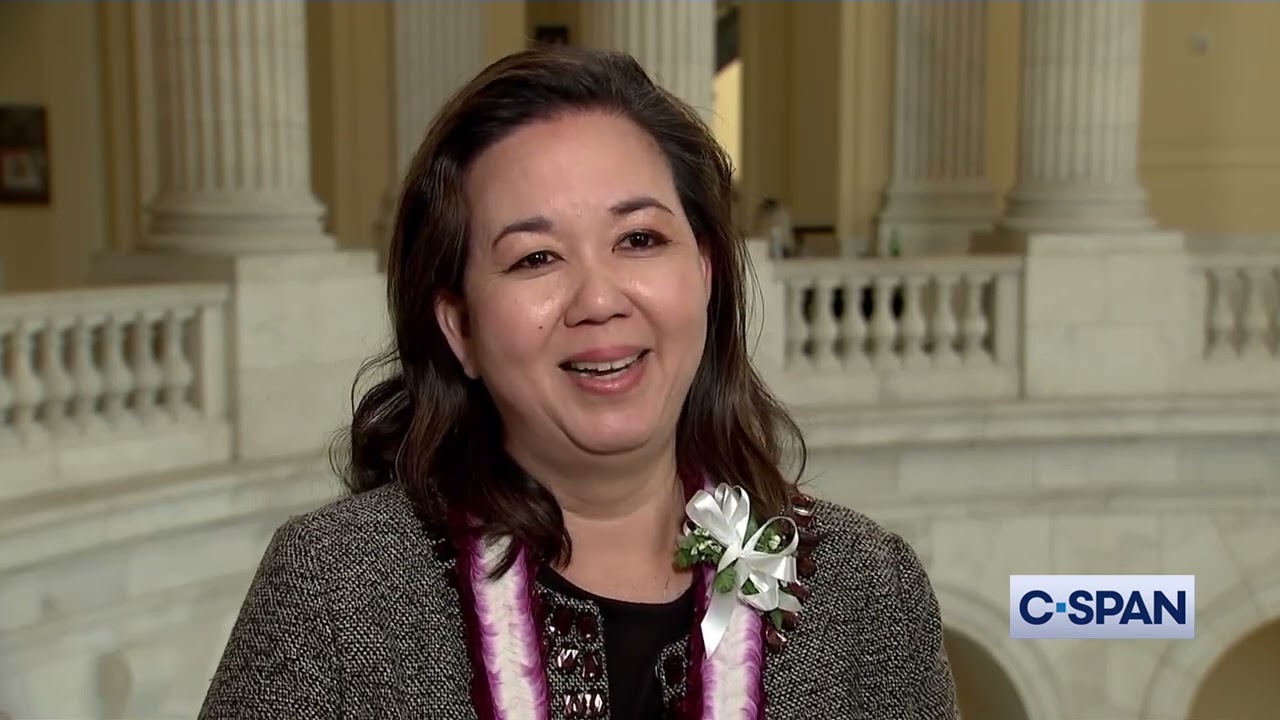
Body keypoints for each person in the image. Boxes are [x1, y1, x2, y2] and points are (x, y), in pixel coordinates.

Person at [198, 45, 959, 720]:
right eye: (535, 258)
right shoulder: (336, 591)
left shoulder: (868, 594)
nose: (599, 299)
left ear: (704, 275)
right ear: (460, 327)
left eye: (639, 238)